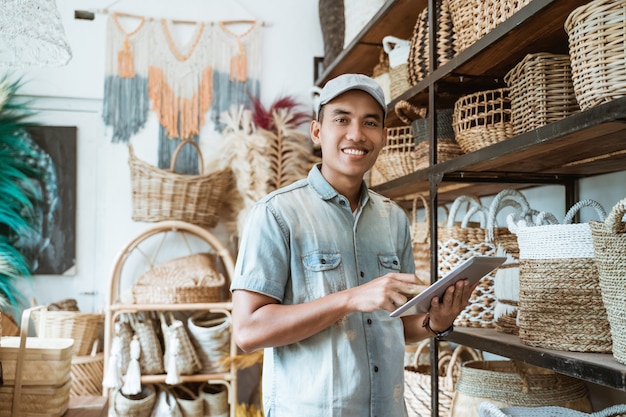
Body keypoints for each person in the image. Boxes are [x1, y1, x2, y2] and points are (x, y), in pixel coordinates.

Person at [230, 73, 476, 417]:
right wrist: (349, 298)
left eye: (370, 122)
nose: (356, 134)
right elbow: (248, 330)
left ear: (384, 136)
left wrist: (436, 321)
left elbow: (399, 324)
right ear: (317, 132)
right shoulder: (276, 213)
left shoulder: (394, 219)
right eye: (342, 119)